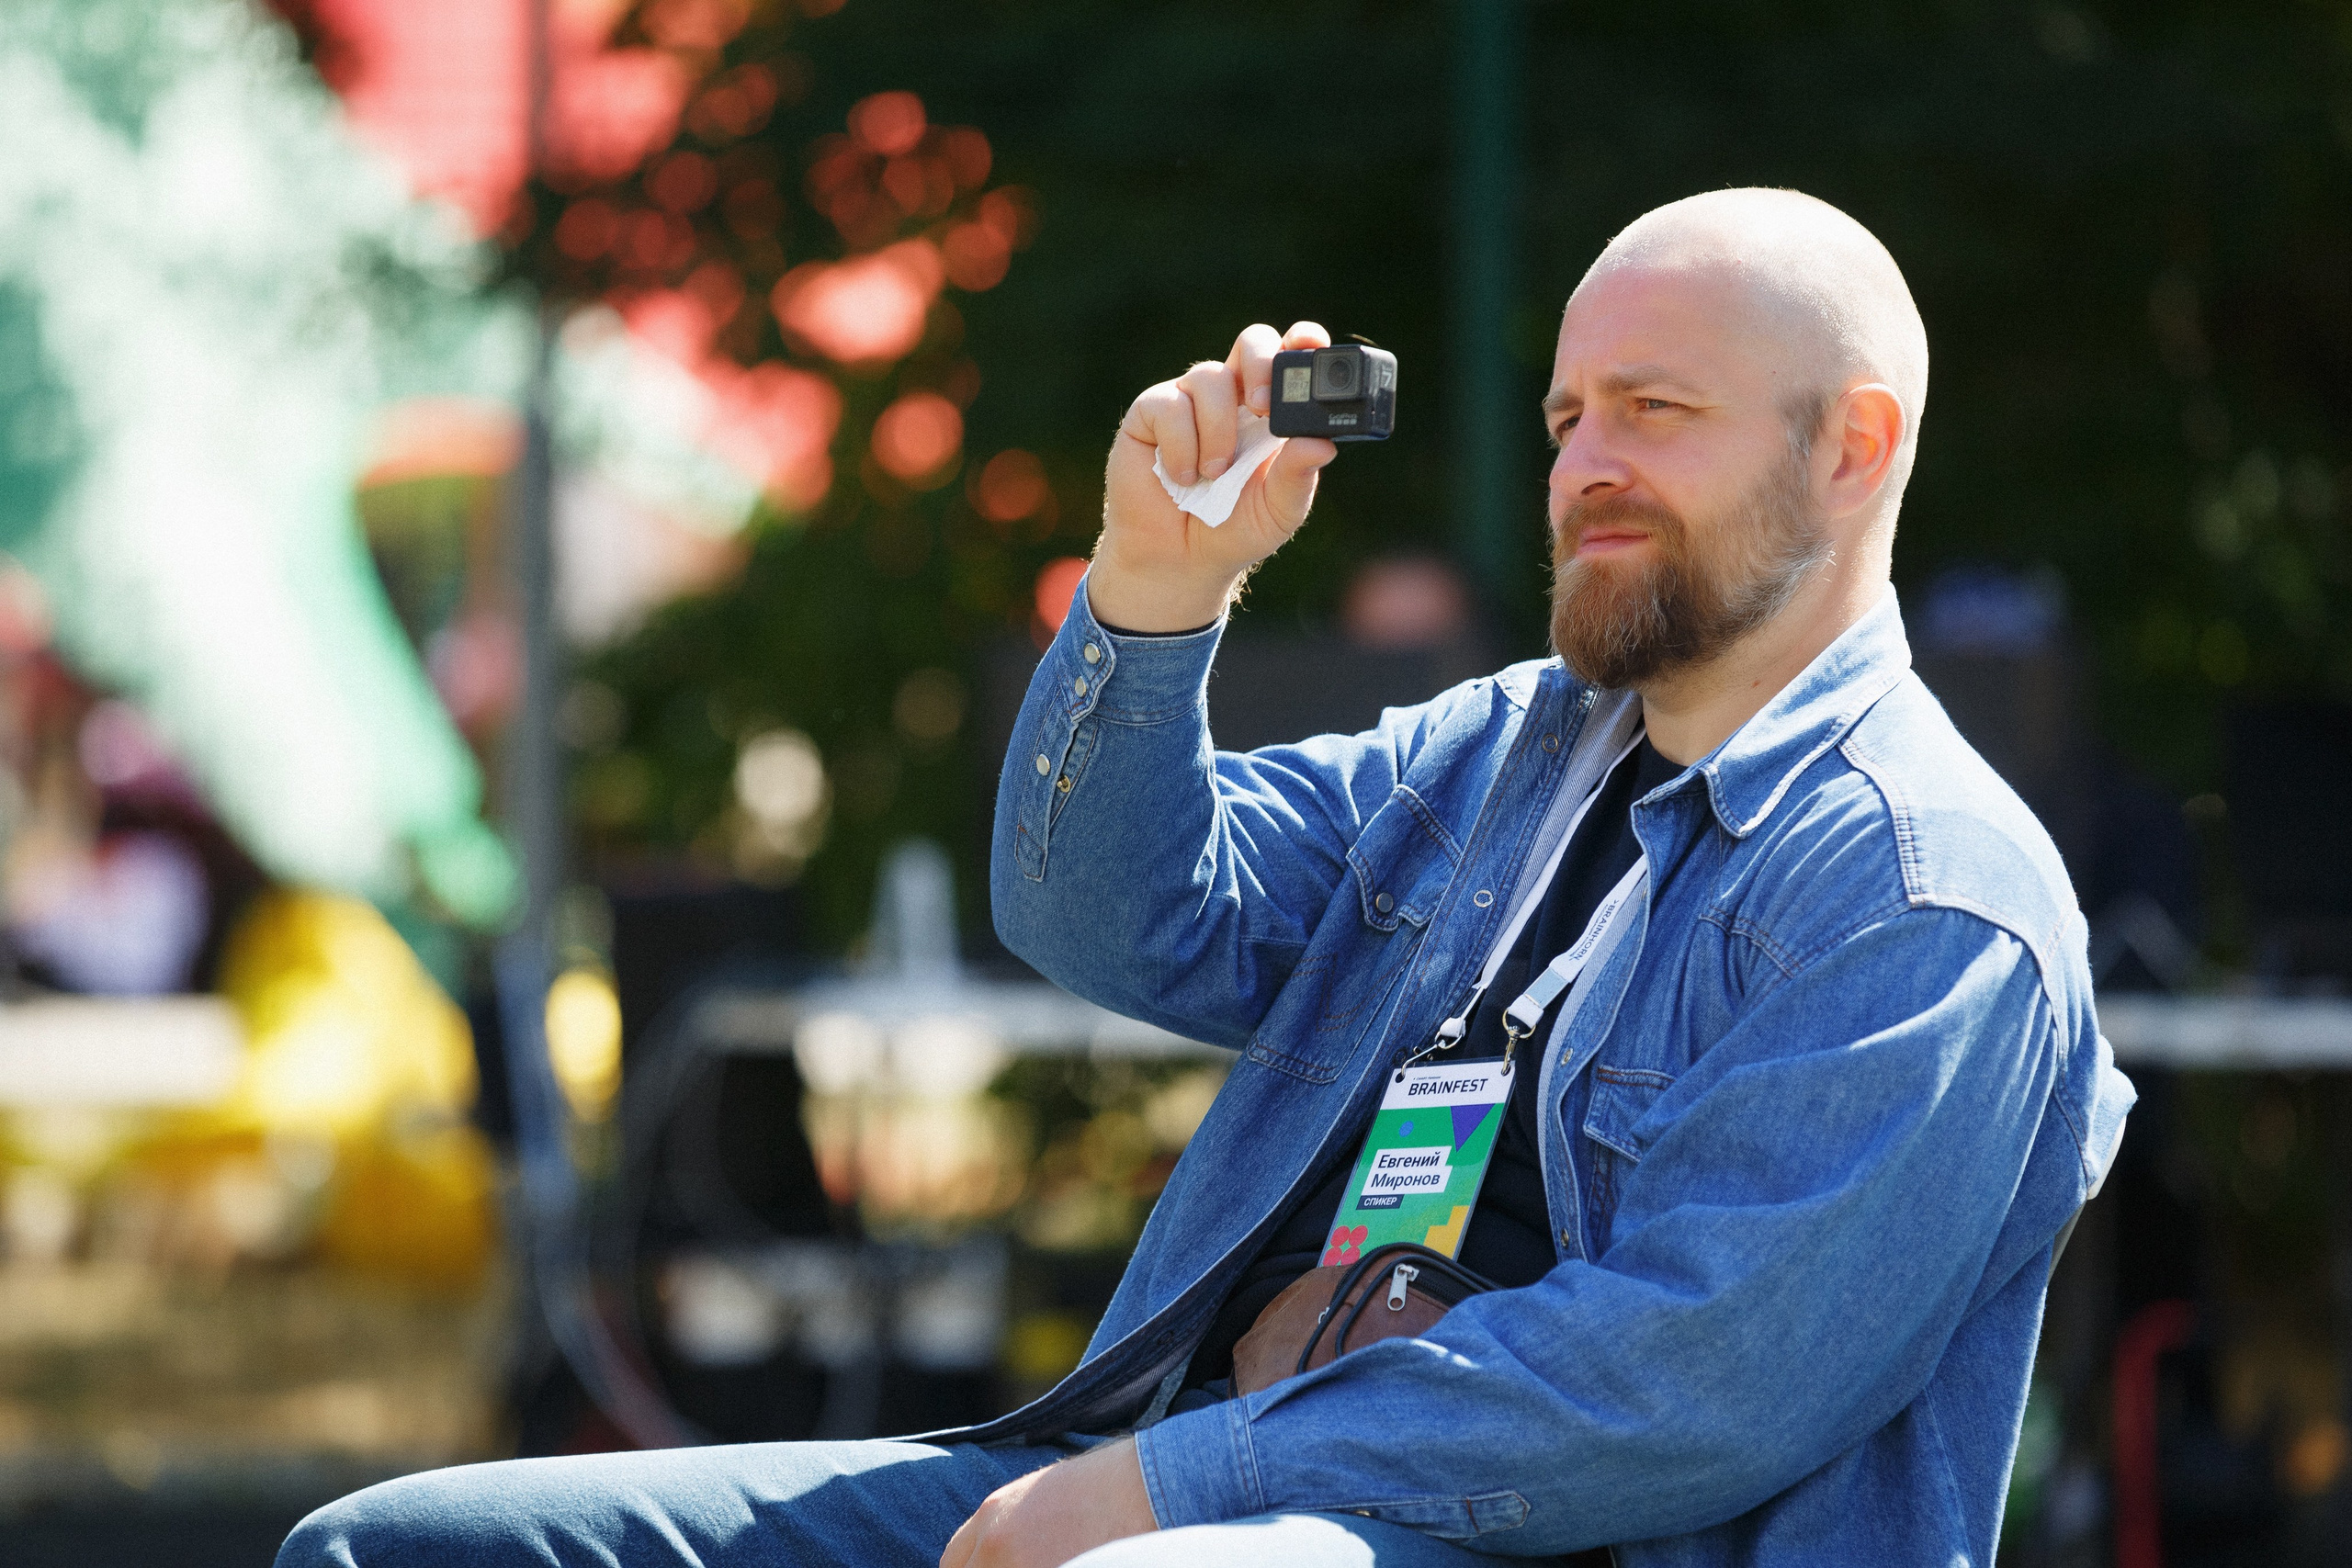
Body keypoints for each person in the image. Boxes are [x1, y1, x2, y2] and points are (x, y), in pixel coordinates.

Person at [278, 188, 2133, 1568]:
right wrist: (1153, 594)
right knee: (396, 1547)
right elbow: (1107, 921)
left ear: (1853, 443)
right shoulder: (1498, 753)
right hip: (1209, 1471)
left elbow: (1683, 1383)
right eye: (1568, 418)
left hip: (1526, 1534)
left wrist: (1164, 1489)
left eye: (1656, 409)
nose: (1586, 465)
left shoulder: (1920, 889)